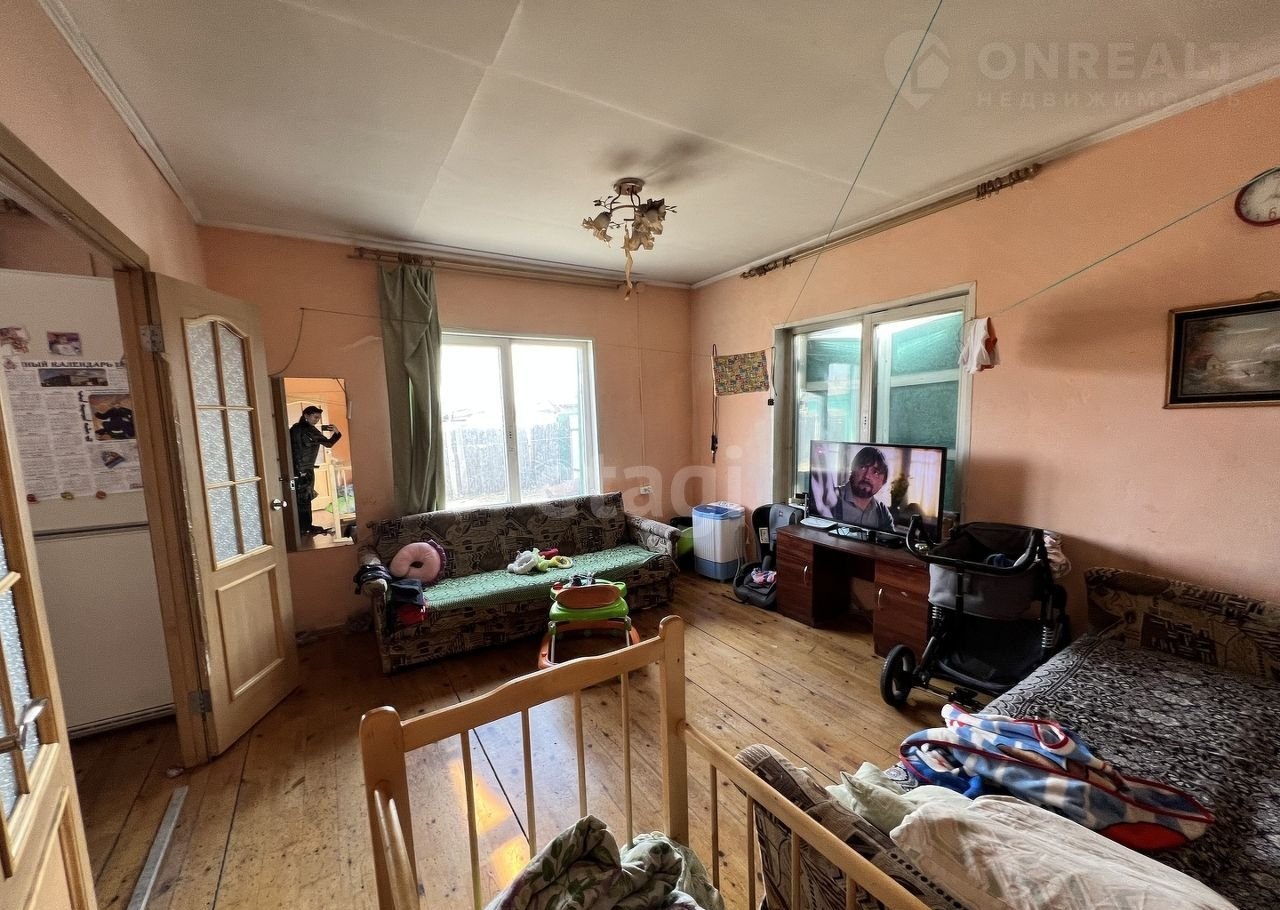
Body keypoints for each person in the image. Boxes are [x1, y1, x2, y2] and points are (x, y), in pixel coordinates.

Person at [289, 405, 342, 535]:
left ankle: (300, 528)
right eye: (315, 417)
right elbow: (329, 444)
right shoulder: (310, 430)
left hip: (293, 468)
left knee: (298, 499)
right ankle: (306, 527)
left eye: (318, 418)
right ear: (306, 416)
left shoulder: (294, 429)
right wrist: (337, 433)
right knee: (305, 499)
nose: (317, 420)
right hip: (305, 469)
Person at [832, 446, 894, 531]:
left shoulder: (882, 512)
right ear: (852, 470)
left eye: (875, 472)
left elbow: (890, 539)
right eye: (863, 467)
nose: (867, 476)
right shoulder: (830, 497)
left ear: (883, 481)